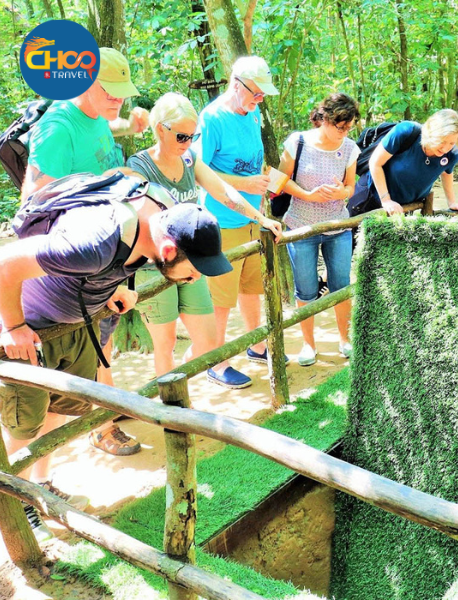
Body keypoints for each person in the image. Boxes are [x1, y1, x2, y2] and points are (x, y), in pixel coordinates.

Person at [0, 180, 233, 540]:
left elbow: (120, 262)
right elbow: (6, 261)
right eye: (194, 267)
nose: (196, 276)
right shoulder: (93, 243)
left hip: (77, 325)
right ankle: (16, 505)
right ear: (169, 251)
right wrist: (14, 326)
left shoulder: (157, 219)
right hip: (30, 330)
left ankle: (40, 486)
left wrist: (113, 288)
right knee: (22, 425)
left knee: (60, 409)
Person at [19, 47, 147, 457]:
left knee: (102, 349)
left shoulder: (100, 118)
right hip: (72, 268)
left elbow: (101, 139)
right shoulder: (57, 127)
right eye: (111, 92)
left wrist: (129, 125)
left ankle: (103, 415)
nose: (119, 100)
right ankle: (102, 427)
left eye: (123, 93)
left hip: (103, 265)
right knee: (84, 356)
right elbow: (33, 202)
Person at [128, 93, 282, 386]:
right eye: (182, 136)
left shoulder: (189, 158)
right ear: (160, 129)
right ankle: (175, 411)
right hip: (155, 264)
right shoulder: (139, 167)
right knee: (166, 341)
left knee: (206, 339)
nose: (188, 143)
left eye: (193, 136)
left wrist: (260, 218)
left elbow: (223, 191)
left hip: (191, 262)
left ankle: (200, 371)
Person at [192, 56, 282, 389]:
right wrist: (244, 184)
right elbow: (199, 172)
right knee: (220, 298)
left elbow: (251, 163)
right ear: (236, 83)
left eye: (262, 96)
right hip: (221, 221)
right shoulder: (212, 119)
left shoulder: (253, 112)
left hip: (251, 216)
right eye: (256, 93)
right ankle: (217, 362)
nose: (260, 100)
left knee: (250, 287)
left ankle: (256, 346)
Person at [277, 94, 360, 366]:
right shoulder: (298, 142)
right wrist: (307, 195)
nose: (345, 132)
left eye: (349, 127)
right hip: (301, 225)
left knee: (340, 285)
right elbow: (280, 180)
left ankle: (345, 339)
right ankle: (308, 344)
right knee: (306, 289)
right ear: (324, 119)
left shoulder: (349, 148)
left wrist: (342, 192)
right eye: (341, 126)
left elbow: (351, 186)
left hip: (338, 224)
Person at [358, 109, 458, 215]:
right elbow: (375, 163)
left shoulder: (452, 154)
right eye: (442, 141)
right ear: (432, 133)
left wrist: (451, 202)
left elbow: (446, 173)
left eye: (451, 143)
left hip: (402, 208)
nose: (445, 148)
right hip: (369, 196)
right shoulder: (406, 131)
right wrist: (386, 200)